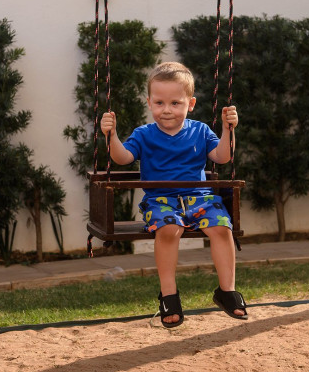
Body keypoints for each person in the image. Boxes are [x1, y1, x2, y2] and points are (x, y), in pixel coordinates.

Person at [101, 61, 247, 328]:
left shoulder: (201, 131)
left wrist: (228, 130)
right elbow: (123, 158)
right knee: (169, 229)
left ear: (190, 104)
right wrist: (111, 136)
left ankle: (227, 291)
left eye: (175, 103)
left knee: (221, 227)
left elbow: (222, 156)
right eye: (159, 103)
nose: (166, 110)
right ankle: (169, 295)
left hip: (200, 198)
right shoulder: (144, 134)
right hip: (161, 200)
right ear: (149, 103)